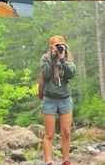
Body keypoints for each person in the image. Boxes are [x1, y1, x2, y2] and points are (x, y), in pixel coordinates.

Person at [41, 35, 75, 165]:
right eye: (55, 47)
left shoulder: (68, 60)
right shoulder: (45, 59)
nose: (58, 49)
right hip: (49, 99)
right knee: (49, 134)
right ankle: (48, 161)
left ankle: (65, 160)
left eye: (61, 46)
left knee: (66, 132)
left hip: (65, 100)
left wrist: (62, 60)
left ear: (65, 47)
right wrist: (52, 58)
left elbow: (71, 74)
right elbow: (46, 74)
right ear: (50, 48)